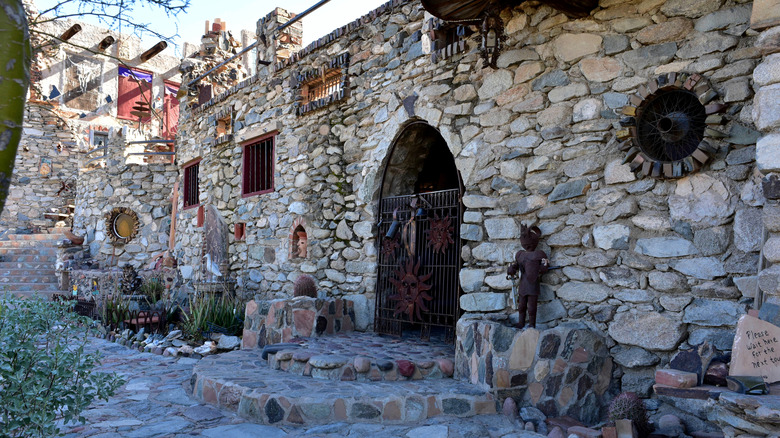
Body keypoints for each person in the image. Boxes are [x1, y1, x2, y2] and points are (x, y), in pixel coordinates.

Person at [506, 224, 549, 328]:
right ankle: (521, 323)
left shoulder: (539, 254)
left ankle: (531, 324)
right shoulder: (520, 255)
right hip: (523, 283)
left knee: (532, 307)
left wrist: (544, 265)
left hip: (533, 284)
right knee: (521, 306)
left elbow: (543, 269)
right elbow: (516, 266)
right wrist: (511, 269)